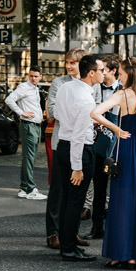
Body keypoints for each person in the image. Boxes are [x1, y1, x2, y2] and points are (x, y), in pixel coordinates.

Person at [91, 58, 136, 268]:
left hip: (128, 148)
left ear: (129, 74)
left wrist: (116, 130)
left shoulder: (122, 95)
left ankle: (120, 253)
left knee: (122, 201)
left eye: (121, 73)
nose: (119, 76)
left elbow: (94, 112)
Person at [53, 55, 103, 262]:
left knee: (67, 201)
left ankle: (68, 245)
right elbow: (78, 136)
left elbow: (56, 111)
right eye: (101, 70)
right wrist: (78, 166)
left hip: (63, 145)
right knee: (76, 201)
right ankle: (69, 249)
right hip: (79, 149)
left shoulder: (66, 87)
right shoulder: (85, 99)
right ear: (91, 73)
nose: (104, 72)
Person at [44, 49, 84, 248]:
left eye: (74, 62)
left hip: (82, 141)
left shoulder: (89, 83)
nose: (69, 66)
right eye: (68, 62)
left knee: (75, 191)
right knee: (58, 189)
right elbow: (52, 111)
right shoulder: (58, 83)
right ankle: (53, 232)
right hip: (61, 139)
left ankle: (71, 232)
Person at [89, 54, 122, 239]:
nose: (100, 72)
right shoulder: (94, 88)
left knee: (118, 186)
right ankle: (97, 227)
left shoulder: (124, 89)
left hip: (119, 142)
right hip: (98, 142)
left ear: (113, 71)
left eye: (103, 69)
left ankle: (117, 227)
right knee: (99, 186)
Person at [6, 66, 47, 200]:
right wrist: (21, 113)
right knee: (29, 158)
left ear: (40, 76)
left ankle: (24, 188)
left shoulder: (35, 89)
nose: (33, 78)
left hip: (35, 126)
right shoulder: (24, 87)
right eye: (31, 76)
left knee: (30, 158)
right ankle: (30, 189)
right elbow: (9, 100)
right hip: (28, 126)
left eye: (36, 76)